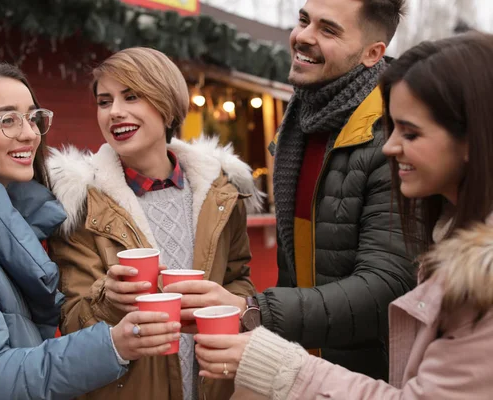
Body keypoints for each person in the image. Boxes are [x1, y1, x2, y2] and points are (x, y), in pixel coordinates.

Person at [195, 31, 493, 399]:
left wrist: (261, 328)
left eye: (411, 134)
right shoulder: (301, 131)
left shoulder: (483, 270)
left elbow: (385, 288)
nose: (390, 145)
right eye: (304, 19)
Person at [0, 62, 181, 400]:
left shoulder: (11, 223)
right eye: (7, 120)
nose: (30, 133)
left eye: (32, 118)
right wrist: (113, 346)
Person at [47, 47, 261, 400]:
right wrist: (110, 299)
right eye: (104, 101)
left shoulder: (221, 193)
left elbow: (237, 277)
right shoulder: (79, 205)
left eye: (131, 96)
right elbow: (71, 321)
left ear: (167, 103)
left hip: (214, 387)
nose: (115, 111)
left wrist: (227, 304)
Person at [240, 0, 415, 379]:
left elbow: (386, 287)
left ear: (373, 53)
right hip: (303, 370)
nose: (303, 37)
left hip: (373, 378)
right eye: (303, 20)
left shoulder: (392, 136)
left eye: (328, 30)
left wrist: (257, 311)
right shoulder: (301, 122)